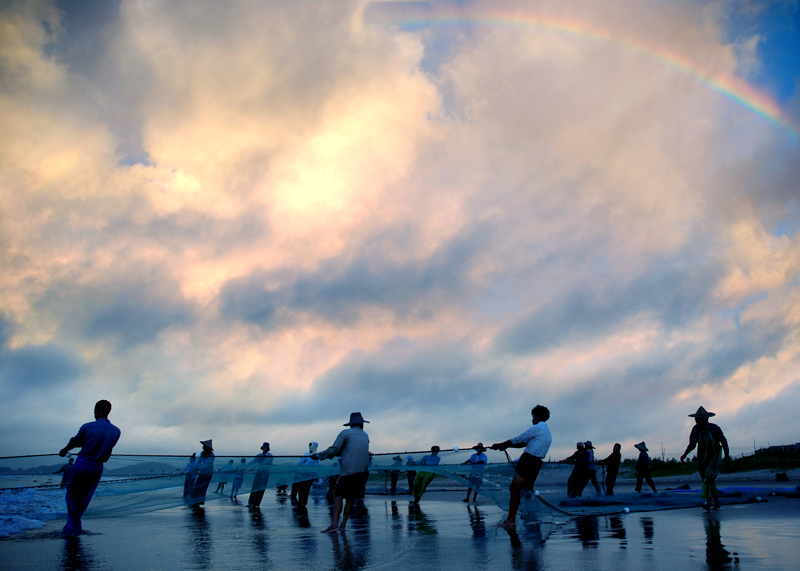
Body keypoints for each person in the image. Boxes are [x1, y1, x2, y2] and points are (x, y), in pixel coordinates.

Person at [58, 399, 121, 536]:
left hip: (82, 464)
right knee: (84, 498)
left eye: (94, 410)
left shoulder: (87, 427)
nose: (94, 413)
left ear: (98, 410)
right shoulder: (116, 431)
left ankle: (72, 529)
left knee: (72, 496)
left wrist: (64, 450)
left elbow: (75, 442)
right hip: (97, 467)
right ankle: (74, 526)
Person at [491, 404, 552, 528]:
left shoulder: (538, 427)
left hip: (528, 461)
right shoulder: (546, 431)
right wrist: (505, 446)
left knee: (514, 489)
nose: (532, 420)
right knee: (523, 490)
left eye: (533, 417)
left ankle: (511, 520)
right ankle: (524, 517)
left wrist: (500, 445)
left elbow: (519, 438)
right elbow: (523, 443)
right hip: (536, 463)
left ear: (538, 416)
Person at [312, 412, 371, 533]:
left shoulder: (345, 433)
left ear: (351, 425)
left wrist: (318, 456)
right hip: (362, 473)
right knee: (350, 498)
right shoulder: (365, 435)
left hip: (348, 472)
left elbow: (333, 450)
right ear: (361, 424)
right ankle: (343, 525)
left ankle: (334, 525)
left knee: (338, 496)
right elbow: (350, 450)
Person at [680, 406, 730, 511]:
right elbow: (692, 444)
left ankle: (708, 503)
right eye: (696, 418)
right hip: (702, 457)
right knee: (707, 480)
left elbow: (723, 441)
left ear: (705, 419)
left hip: (714, 456)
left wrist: (726, 455)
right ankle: (716, 503)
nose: (695, 420)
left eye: (698, 418)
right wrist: (685, 454)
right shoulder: (695, 429)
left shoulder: (714, 428)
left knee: (708, 478)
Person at [291, 442, 319, 506]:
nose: (310, 446)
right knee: (301, 487)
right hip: (304, 474)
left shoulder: (316, 455)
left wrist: (302, 465)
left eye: (311, 445)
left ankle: (302, 503)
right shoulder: (307, 454)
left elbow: (309, 464)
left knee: (305, 489)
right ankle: (298, 501)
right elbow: (299, 463)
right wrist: (299, 466)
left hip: (311, 474)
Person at [247, 442, 273, 508]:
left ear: (268, 448)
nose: (265, 449)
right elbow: (254, 461)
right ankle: (250, 502)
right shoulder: (259, 455)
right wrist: (247, 466)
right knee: (254, 487)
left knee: (261, 488)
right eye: (264, 447)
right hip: (258, 473)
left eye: (266, 448)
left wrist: (256, 466)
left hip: (265, 474)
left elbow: (265, 462)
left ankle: (256, 503)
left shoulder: (270, 456)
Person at [190, 440, 215, 506]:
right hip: (202, 473)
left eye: (204, 446)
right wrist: (195, 469)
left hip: (208, 473)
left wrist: (197, 470)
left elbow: (206, 465)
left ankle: (199, 502)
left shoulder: (211, 455)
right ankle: (195, 501)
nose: (203, 447)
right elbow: (198, 462)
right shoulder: (202, 453)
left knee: (203, 488)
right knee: (197, 486)